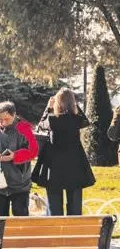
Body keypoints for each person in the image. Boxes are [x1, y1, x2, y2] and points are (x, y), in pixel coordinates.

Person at [38, 88, 95, 216]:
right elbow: (86, 121)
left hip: (54, 165)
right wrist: (75, 106)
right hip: (74, 164)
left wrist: (48, 108)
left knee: (54, 204)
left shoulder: (52, 119)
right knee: (75, 204)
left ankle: (56, 231)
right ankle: (74, 232)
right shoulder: (76, 119)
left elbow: (41, 125)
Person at [0, 101, 39, 217]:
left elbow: (34, 151)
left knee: (20, 221)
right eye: (0, 119)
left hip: (20, 184)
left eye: (6, 119)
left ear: (14, 115)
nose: (2, 122)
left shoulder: (24, 129)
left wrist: (15, 156)